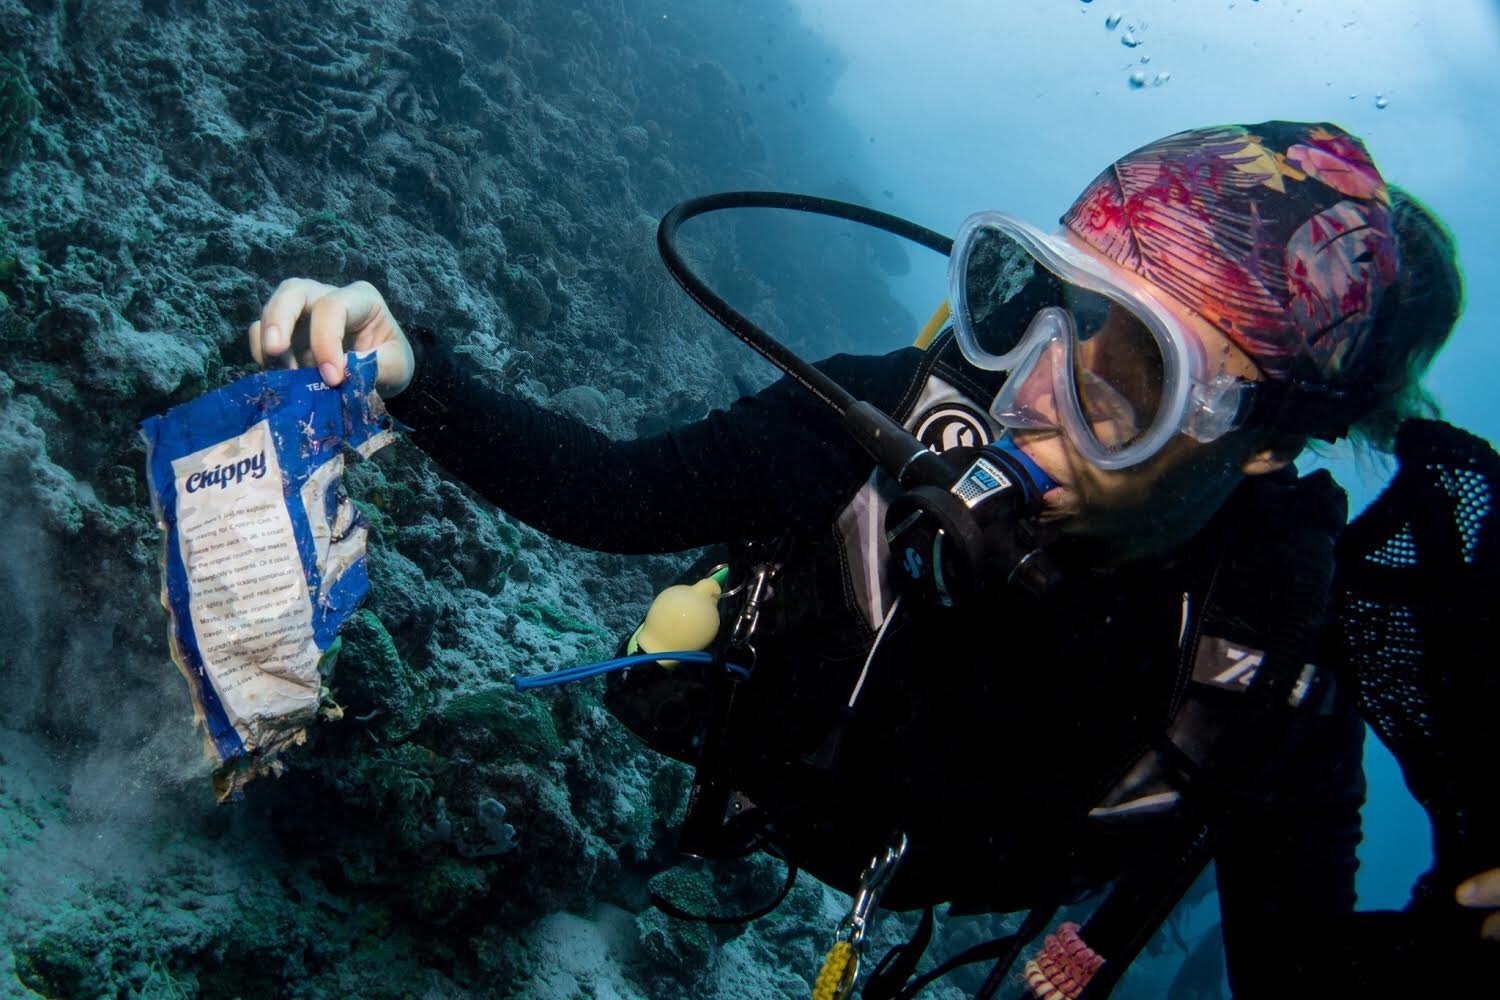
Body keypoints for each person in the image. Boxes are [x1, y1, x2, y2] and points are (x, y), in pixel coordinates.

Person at [248, 121, 1497, 996]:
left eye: (1130, 376)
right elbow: (611, 492)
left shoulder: (1275, 679)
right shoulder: (880, 423)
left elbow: (1302, 973)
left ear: (1260, 448)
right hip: (758, 783)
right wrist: (415, 375)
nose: (1034, 392)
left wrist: (1455, 933)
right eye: (1031, 306)